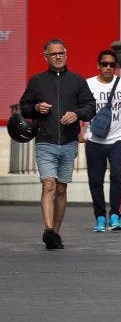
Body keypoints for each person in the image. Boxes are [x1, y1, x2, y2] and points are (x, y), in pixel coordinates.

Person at [18, 38, 96, 250]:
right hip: (45, 141)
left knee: (61, 189)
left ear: (66, 54)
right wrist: (36, 108)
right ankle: (48, 229)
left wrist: (77, 114)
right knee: (49, 185)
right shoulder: (37, 81)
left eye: (61, 53)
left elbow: (91, 107)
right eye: (53, 54)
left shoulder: (77, 81)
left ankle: (56, 233)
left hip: (69, 143)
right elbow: (23, 107)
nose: (58, 57)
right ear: (46, 57)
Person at [81, 49, 121, 232]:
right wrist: (80, 128)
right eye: (104, 64)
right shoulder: (88, 84)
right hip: (94, 140)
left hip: (117, 139)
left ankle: (115, 215)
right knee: (95, 180)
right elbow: (80, 108)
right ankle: (100, 217)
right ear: (98, 65)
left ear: (116, 67)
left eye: (112, 65)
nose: (108, 68)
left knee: (117, 175)